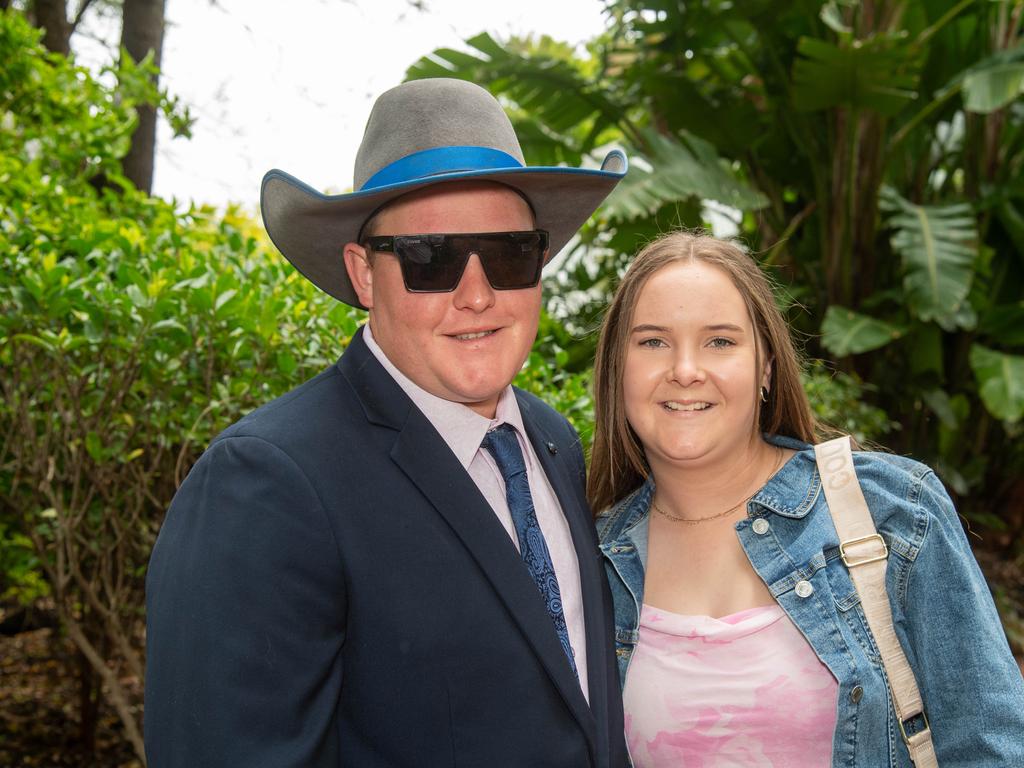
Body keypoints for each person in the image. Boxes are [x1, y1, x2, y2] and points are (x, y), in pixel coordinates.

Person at [144, 78, 630, 768]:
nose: (478, 293)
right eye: (431, 258)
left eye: (510, 254)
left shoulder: (553, 444)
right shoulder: (267, 483)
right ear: (364, 274)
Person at [590, 231, 1024, 767]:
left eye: (720, 341)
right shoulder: (593, 558)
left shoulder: (890, 512)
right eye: (653, 341)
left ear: (766, 366)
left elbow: (990, 747)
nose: (685, 370)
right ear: (618, 368)